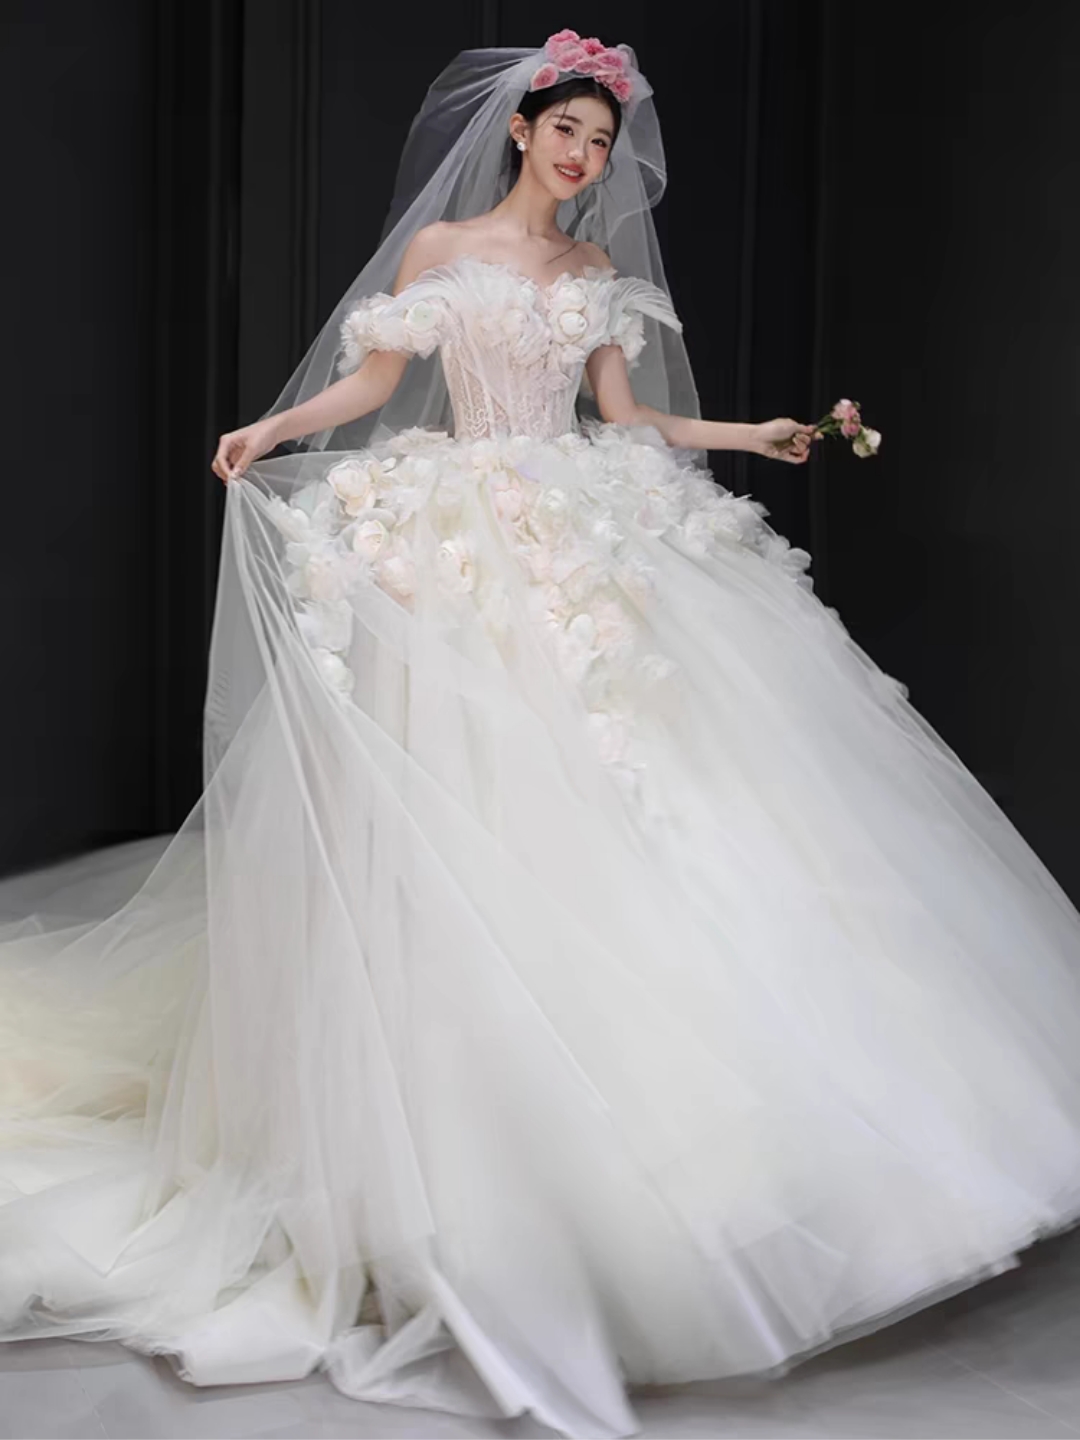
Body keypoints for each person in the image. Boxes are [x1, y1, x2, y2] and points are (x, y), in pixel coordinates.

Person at [2, 30, 1080, 1440]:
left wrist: (758, 436)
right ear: (520, 129)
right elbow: (374, 390)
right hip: (464, 544)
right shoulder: (441, 250)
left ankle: (687, 1141)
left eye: (600, 142)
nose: (582, 157)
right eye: (566, 131)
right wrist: (271, 431)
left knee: (648, 792)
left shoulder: (596, 272)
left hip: (579, 529)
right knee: (475, 802)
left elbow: (628, 419)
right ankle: (462, 1148)